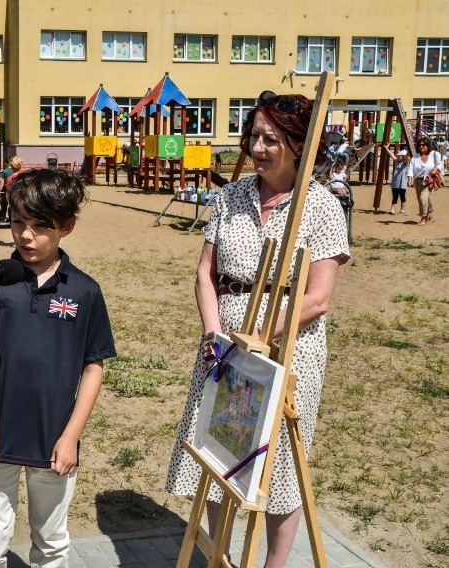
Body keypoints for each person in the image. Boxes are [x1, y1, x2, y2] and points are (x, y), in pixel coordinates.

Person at [165, 90, 350, 568]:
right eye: (254, 136)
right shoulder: (231, 196)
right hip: (226, 343)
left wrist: (268, 336)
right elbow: (206, 272)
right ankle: (218, 553)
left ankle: (275, 562)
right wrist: (214, 335)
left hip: (289, 348)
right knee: (217, 446)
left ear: (297, 143)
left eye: (271, 138)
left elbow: (319, 297)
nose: (258, 147)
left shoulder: (323, 206)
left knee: (279, 461)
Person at [0, 168, 116, 568]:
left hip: (54, 440)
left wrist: (71, 436)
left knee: (52, 541)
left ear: (67, 227)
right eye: (17, 223)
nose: (26, 236)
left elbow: (94, 366)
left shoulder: (85, 291)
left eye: (40, 226)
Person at [406, 137, 443, 225]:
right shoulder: (415, 156)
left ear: (428, 145)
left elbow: (440, 163)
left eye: (423, 145)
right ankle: (429, 211)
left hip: (428, 180)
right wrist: (410, 178)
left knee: (423, 198)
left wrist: (436, 168)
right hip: (417, 181)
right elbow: (410, 168)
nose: (421, 147)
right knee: (421, 199)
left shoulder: (434, 154)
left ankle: (424, 218)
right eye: (419, 145)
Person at [383, 144, 409, 215]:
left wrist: (408, 150)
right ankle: (392, 210)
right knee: (394, 197)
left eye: (400, 156)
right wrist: (387, 149)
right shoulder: (397, 162)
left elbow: (407, 157)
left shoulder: (406, 163)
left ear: (403, 157)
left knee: (402, 197)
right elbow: (392, 155)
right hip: (395, 183)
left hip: (402, 184)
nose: (398, 156)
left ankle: (402, 211)